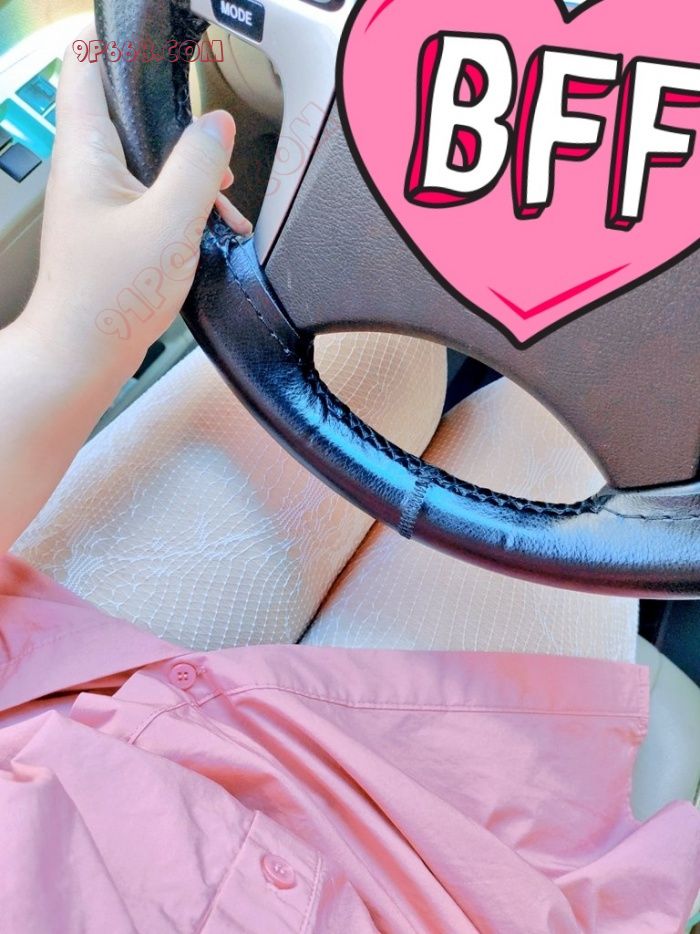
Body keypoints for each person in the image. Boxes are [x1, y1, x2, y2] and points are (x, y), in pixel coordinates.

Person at [0, 30, 698, 933]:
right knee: (566, 420)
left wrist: (71, 339)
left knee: (361, 356)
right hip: (416, 887)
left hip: (57, 736)